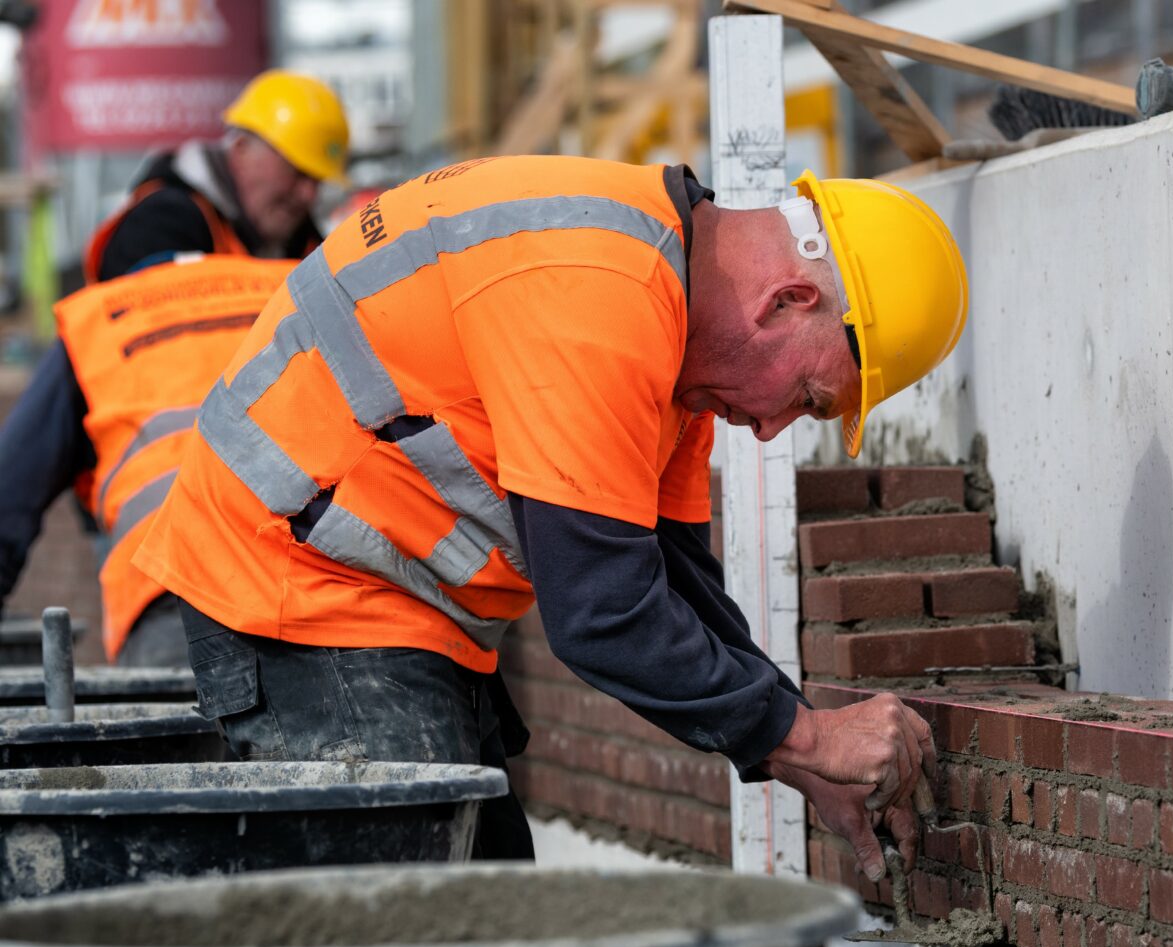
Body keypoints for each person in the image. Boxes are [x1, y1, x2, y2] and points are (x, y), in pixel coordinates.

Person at [134, 156, 968, 874]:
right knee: (417, 942)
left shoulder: (670, 321)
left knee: (495, 928)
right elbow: (603, 612)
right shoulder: (602, 298)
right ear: (785, 299)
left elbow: (671, 575)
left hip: (378, 606)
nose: (772, 426)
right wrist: (807, 737)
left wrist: (792, 742)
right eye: (808, 395)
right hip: (293, 587)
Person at [0, 255, 295, 664]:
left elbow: (10, 490)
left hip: (171, 596)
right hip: (320, 582)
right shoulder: (300, 280)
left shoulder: (100, 318)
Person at [84, 70, 347, 284]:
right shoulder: (163, 224)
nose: (308, 195)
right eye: (298, 173)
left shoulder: (307, 244)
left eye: (318, 181)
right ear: (242, 148)